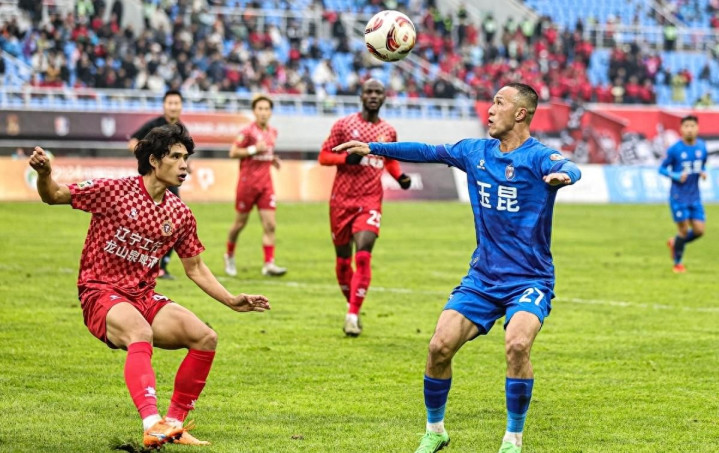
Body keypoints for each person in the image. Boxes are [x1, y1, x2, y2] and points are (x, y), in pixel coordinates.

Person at [334, 83, 581, 453]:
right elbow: (426, 151)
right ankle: (435, 431)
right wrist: (373, 148)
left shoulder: (538, 157)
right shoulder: (474, 152)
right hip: (483, 278)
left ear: (520, 113)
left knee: (517, 344)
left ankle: (512, 439)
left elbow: (567, 165)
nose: (490, 110)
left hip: (530, 279)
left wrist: (564, 176)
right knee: (438, 347)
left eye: (499, 103)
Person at [30, 123, 270, 448]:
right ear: (154, 160)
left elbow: (195, 268)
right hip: (100, 292)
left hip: (143, 296)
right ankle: (151, 423)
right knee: (140, 332)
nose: (184, 165)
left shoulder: (180, 213)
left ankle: (173, 424)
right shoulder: (114, 191)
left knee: (205, 337)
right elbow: (54, 195)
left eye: (186, 158)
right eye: (176, 157)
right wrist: (45, 173)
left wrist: (230, 300)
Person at [318, 78, 412, 337]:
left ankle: (352, 315)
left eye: (378, 92)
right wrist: (345, 158)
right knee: (342, 262)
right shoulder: (344, 125)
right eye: (368, 91)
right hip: (341, 202)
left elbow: (389, 160)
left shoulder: (388, 131)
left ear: (384, 98)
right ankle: (353, 306)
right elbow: (324, 156)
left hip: (370, 201)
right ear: (361, 96)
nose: (373, 95)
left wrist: (399, 176)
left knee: (363, 255)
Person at [224, 94, 287, 277]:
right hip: (247, 184)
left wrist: (272, 159)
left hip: (266, 185)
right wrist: (253, 149)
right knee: (239, 224)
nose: (263, 112)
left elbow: (265, 152)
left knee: (270, 225)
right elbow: (233, 152)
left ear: (271, 112)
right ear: (254, 111)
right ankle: (229, 255)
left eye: (266, 109)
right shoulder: (247, 132)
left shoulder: (273, 132)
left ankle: (269, 264)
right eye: (260, 109)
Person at [128, 89, 186, 280]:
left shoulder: (182, 130)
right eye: (170, 103)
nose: (173, 107)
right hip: (151, 182)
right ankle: (136, 261)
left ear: (181, 106)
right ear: (164, 105)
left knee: (174, 222)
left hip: (171, 183)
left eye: (176, 103)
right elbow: (133, 142)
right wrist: (146, 158)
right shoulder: (154, 126)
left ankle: (162, 265)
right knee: (144, 222)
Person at [659, 115, 708, 273]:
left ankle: (675, 243)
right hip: (678, 196)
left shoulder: (702, 147)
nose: (689, 129)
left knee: (699, 231)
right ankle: (678, 263)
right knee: (684, 230)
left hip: (695, 196)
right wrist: (675, 175)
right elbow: (662, 169)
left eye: (692, 126)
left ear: (697, 128)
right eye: (686, 126)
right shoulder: (675, 149)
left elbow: (702, 164)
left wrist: (703, 172)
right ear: (681, 129)